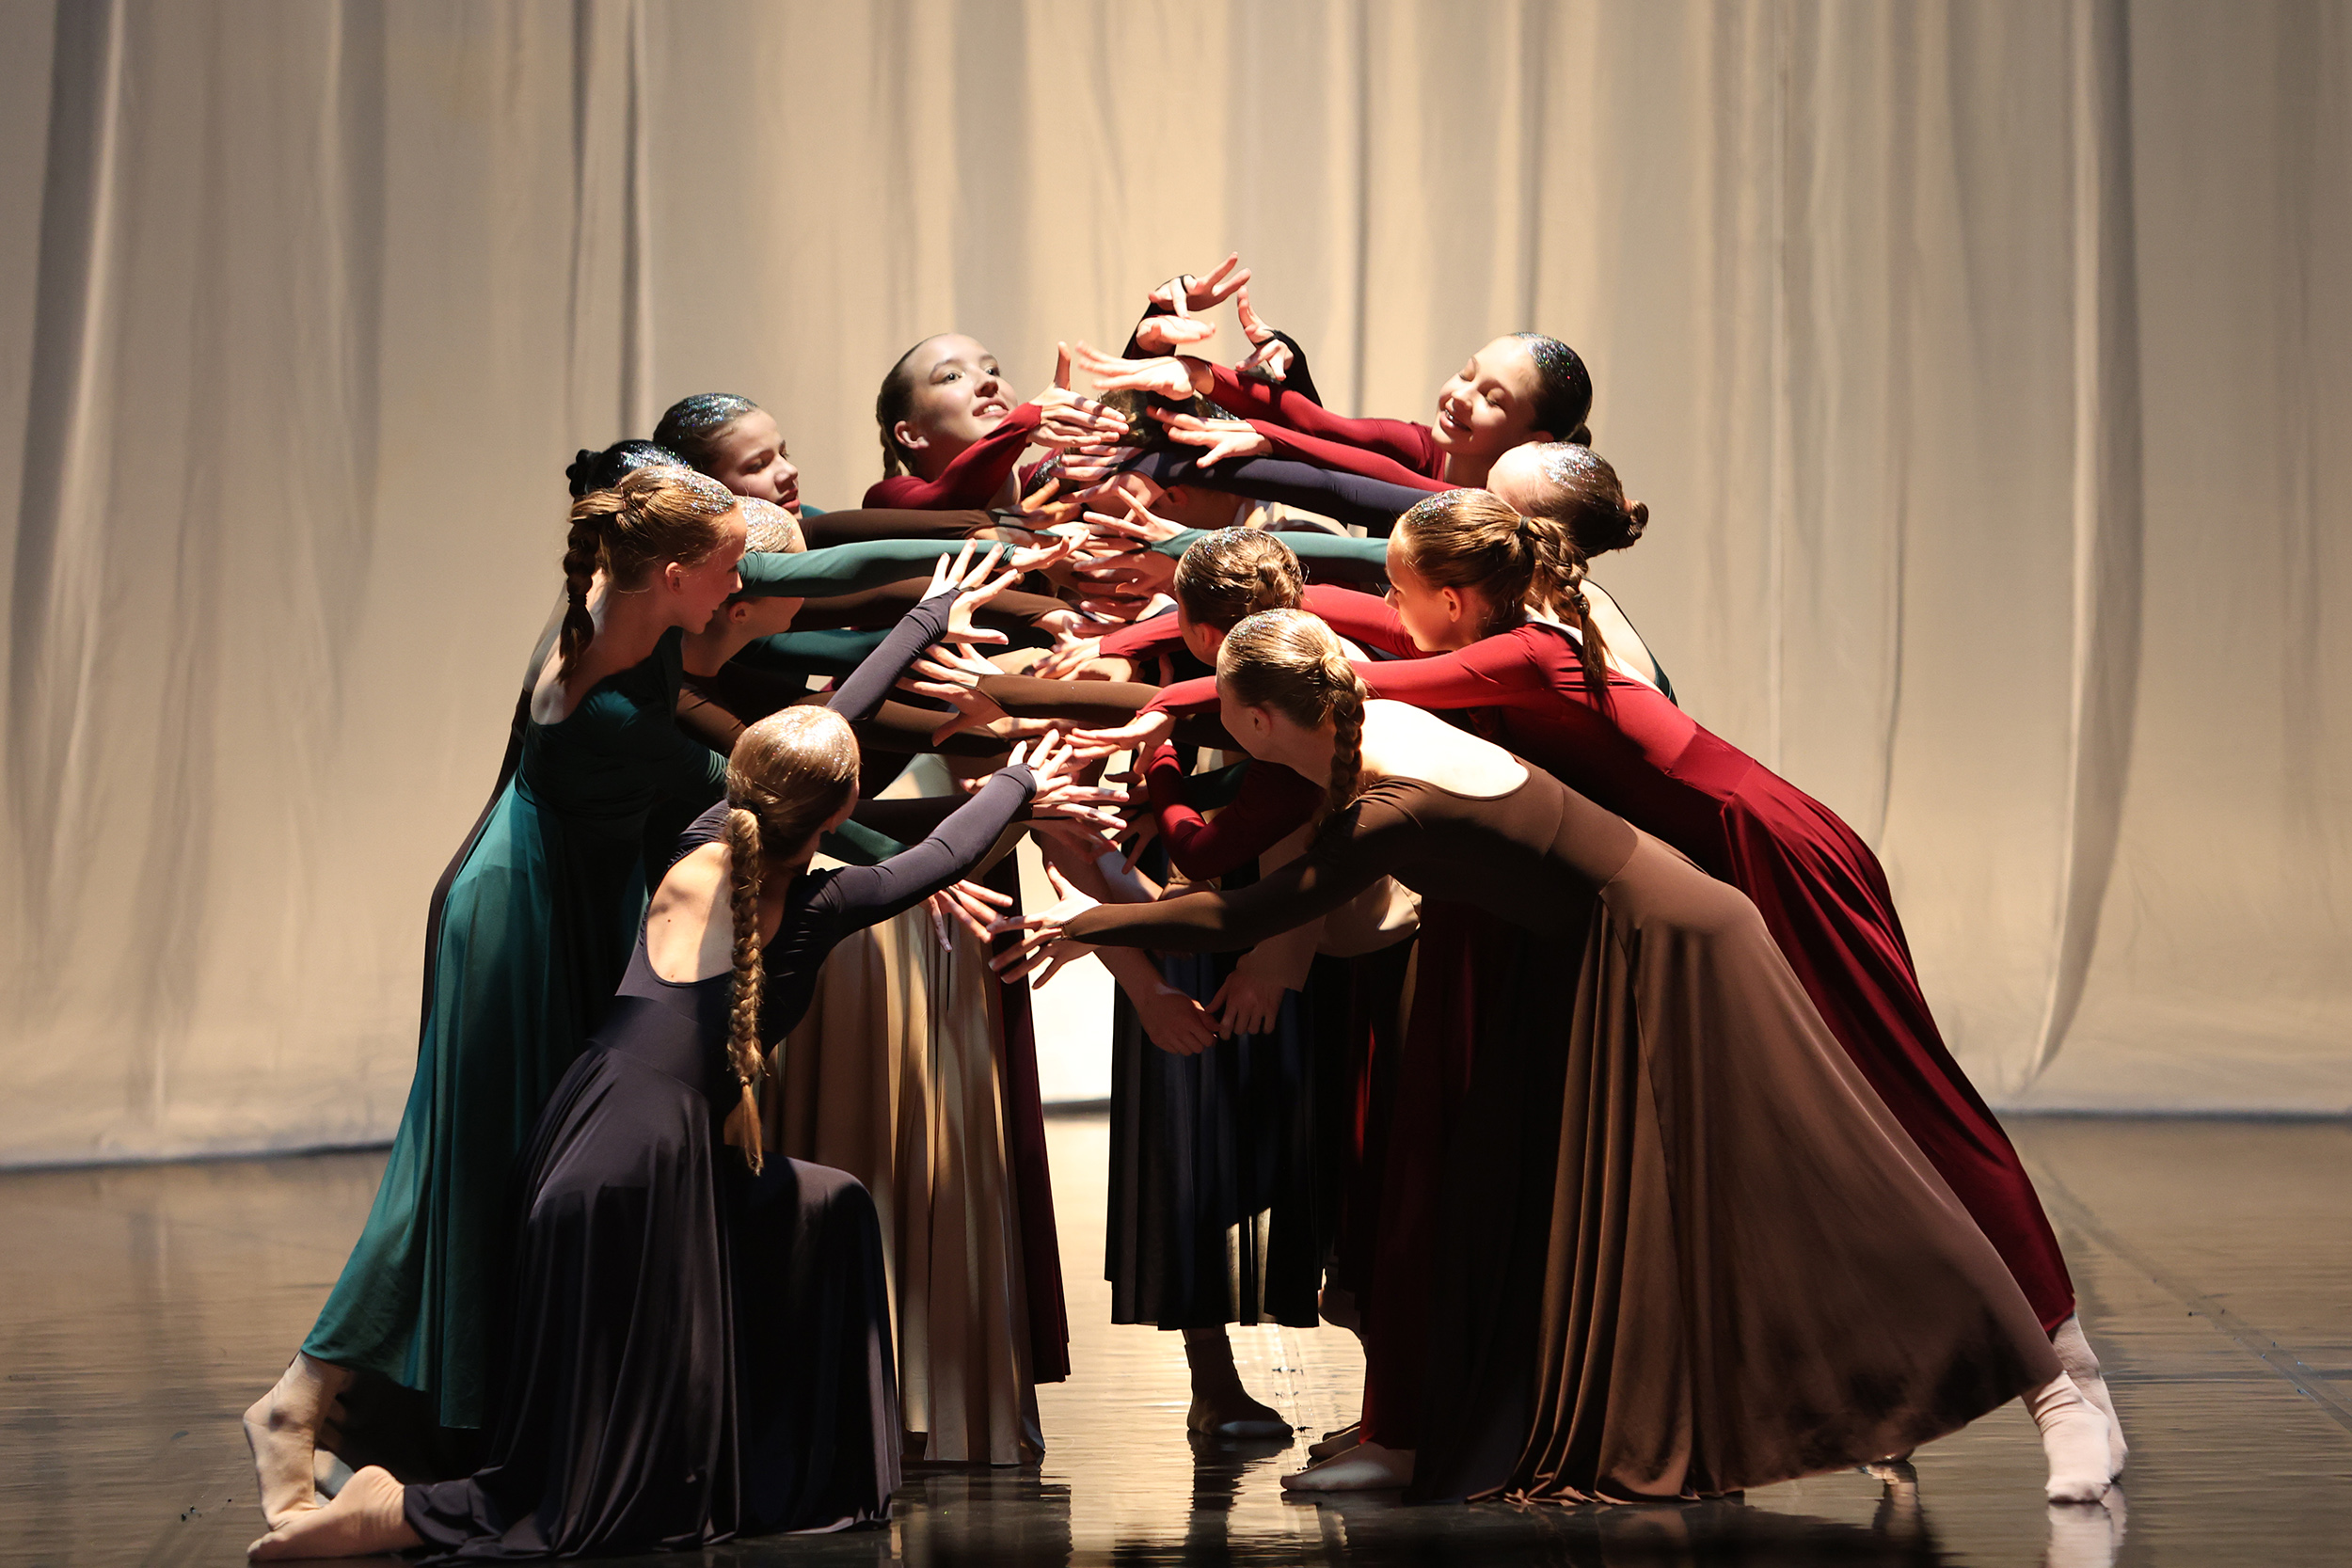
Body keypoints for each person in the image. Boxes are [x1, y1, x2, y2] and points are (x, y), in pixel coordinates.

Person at [1108, 483, 2126, 1477]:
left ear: (1452, 599)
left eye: (1402, 592)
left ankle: (2068, 1378)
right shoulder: (1474, 633)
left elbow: (1345, 667)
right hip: (1675, 877)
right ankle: (1868, 1367)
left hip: (1764, 848)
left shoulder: (1523, 649)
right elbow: (1334, 603)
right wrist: (1139, 618)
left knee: (1908, 1101)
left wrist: (1156, 698)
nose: (1387, 609)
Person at [246, 565, 1086, 1560]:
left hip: (581, 1128)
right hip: (646, 1170)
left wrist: (925, 620)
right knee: (604, 1494)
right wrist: (1024, 777)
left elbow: (826, 737)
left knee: (829, 1204)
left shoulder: (704, 834)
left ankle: (758, 1464)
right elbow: (938, 854)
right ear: (844, 806)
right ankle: (401, 1513)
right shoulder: (817, 907)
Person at [1075, 326, 1592, 493]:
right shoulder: (1426, 446)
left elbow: (1365, 483)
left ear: (1535, 441)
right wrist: (1200, 373)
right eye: (1466, 373)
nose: (1461, 395)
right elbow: (1327, 429)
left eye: (1492, 400)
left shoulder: (1497, 515)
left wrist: (1271, 440)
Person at [867, 338, 1129, 510]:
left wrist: (1147, 347)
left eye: (991, 370)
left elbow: (1136, 433)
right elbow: (948, 500)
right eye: (951, 376)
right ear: (911, 434)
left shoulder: (1058, 475)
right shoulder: (888, 499)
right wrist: (1026, 421)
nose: (988, 382)